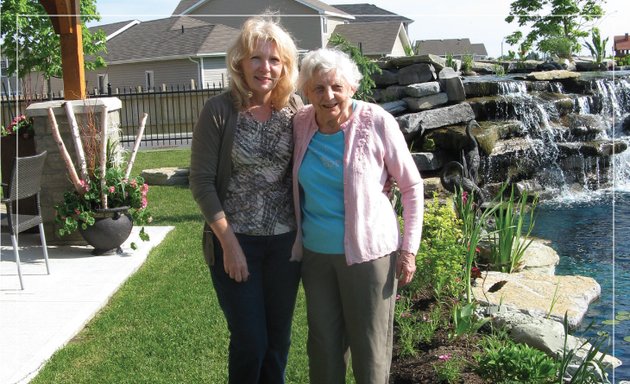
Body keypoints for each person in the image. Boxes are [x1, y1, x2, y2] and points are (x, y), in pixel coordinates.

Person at [291, 48, 424, 384]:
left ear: (352, 87)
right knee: (322, 347)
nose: (328, 95)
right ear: (306, 92)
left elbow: (411, 187)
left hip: (369, 258)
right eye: (318, 88)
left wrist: (408, 251)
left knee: (370, 350)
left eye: (336, 86)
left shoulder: (377, 121)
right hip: (317, 255)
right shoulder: (301, 123)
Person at [189, 15, 302, 384]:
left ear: (284, 66)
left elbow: (324, 152)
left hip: (285, 246)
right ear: (240, 62)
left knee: (277, 344)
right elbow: (202, 182)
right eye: (256, 58)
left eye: (274, 60)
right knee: (251, 342)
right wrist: (229, 245)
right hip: (236, 241)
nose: (265, 68)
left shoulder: (295, 109)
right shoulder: (220, 111)